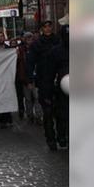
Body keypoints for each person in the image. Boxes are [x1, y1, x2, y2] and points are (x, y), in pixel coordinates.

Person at [28, 20, 61, 150]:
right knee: (47, 112)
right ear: (42, 29)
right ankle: (50, 139)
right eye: (45, 27)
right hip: (44, 81)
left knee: (60, 112)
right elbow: (30, 62)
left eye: (49, 26)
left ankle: (61, 136)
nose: (48, 29)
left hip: (58, 80)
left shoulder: (58, 41)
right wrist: (30, 80)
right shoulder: (37, 44)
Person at [49, 24, 69, 149]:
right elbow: (50, 71)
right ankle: (61, 136)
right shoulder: (56, 51)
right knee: (62, 114)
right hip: (61, 88)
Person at [0, 34, 14, 129]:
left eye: (1, 37)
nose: (0, 38)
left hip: (7, 78)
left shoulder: (10, 49)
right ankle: (2, 120)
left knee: (7, 98)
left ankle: (8, 118)